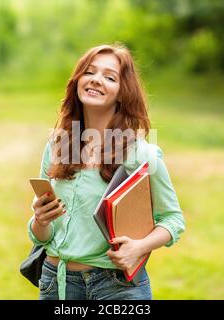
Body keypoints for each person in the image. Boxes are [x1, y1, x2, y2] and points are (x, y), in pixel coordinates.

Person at [28, 43, 185, 300]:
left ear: (123, 92)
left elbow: (173, 219)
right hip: (57, 282)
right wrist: (40, 220)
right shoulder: (58, 145)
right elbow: (43, 235)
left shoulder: (140, 154)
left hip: (116, 287)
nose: (96, 80)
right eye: (89, 72)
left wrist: (139, 248)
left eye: (109, 77)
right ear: (77, 81)